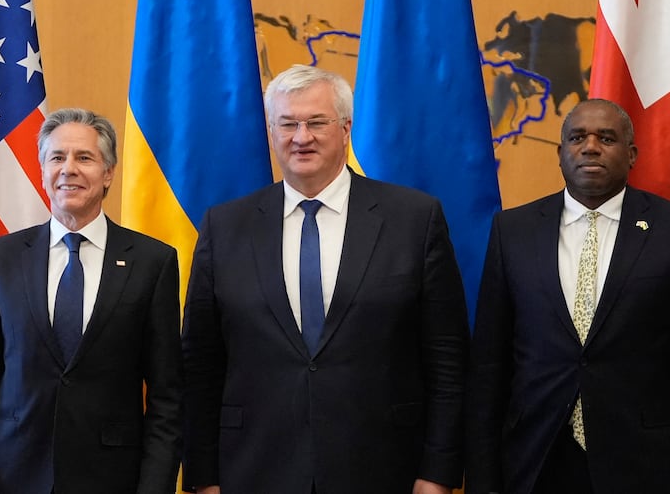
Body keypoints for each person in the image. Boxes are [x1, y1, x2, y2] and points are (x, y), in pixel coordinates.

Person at [181, 64, 469, 494]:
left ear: (346, 128)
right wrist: (203, 478)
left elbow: (448, 357)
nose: (302, 137)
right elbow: (200, 364)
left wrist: (438, 473)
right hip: (255, 469)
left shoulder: (414, 219)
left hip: (383, 468)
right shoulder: (225, 227)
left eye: (317, 122)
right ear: (271, 131)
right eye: (288, 124)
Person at [466, 99, 670, 494]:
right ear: (560, 154)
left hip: (644, 465)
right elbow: (490, 364)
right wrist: (484, 481)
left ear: (632, 154)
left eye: (606, 138)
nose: (590, 147)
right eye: (577, 138)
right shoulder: (513, 231)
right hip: (535, 461)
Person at [0, 108, 182, 494]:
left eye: (85, 158)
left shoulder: (152, 263)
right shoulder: (2, 258)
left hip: (112, 480)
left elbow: (167, 398)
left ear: (108, 172)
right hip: (13, 477)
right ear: (42, 172)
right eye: (57, 157)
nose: (68, 169)